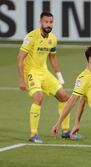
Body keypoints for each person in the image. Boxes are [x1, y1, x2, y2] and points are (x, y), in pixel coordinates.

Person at [17, 11, 79, 143]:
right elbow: (20, 58)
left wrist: (60, 78)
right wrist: (22, 79)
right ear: (41, 22)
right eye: (46, 22)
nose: (48, 24)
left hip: (44, 72)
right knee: (39, 98)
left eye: (50, 22)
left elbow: (53, 59)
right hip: (31, 72)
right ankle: (34, 134)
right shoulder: (31, 37)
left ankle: (66, 131)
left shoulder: (53, 39)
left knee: (64, 97)